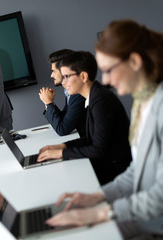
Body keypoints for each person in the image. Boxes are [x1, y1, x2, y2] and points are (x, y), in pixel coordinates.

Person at [45, 20, 163, 239]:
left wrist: (101, 213)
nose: (105, 80)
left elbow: (159, 198)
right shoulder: (142, 103)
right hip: (143, 212)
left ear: (135, 61)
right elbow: (136, 170)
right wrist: (97, 197)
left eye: (108, 70)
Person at [37, 51, 132, 185]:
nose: (64, 82)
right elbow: (90, 138)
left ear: (83, 76)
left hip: (116, 171)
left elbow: (98, 148)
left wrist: (61, 154)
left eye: (67, 77)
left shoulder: (100, 100)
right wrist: (61, 146)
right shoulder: (94, 97)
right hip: (110, 165)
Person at [39, 49, 87, 137]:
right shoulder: (71, 92)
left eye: (54, 71)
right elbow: (64, 119)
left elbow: (62, 129)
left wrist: (48, 103)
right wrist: (50, 103)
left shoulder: (79, 94)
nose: (51, 75)